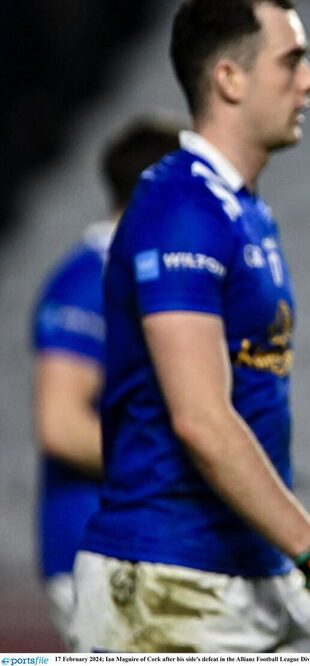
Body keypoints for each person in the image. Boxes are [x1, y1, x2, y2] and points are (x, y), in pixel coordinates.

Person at [70, 0, 310, 653]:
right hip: (167, 577)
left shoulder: (240, 210)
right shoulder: (181, 210)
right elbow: (202, 419)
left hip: (231, 570)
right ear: (229, 79)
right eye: (292, 61)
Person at [31, 116, 183, 648]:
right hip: (96, 550)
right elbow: (61, 424)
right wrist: (189, 462)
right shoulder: (88, 282)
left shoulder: (141, 276)